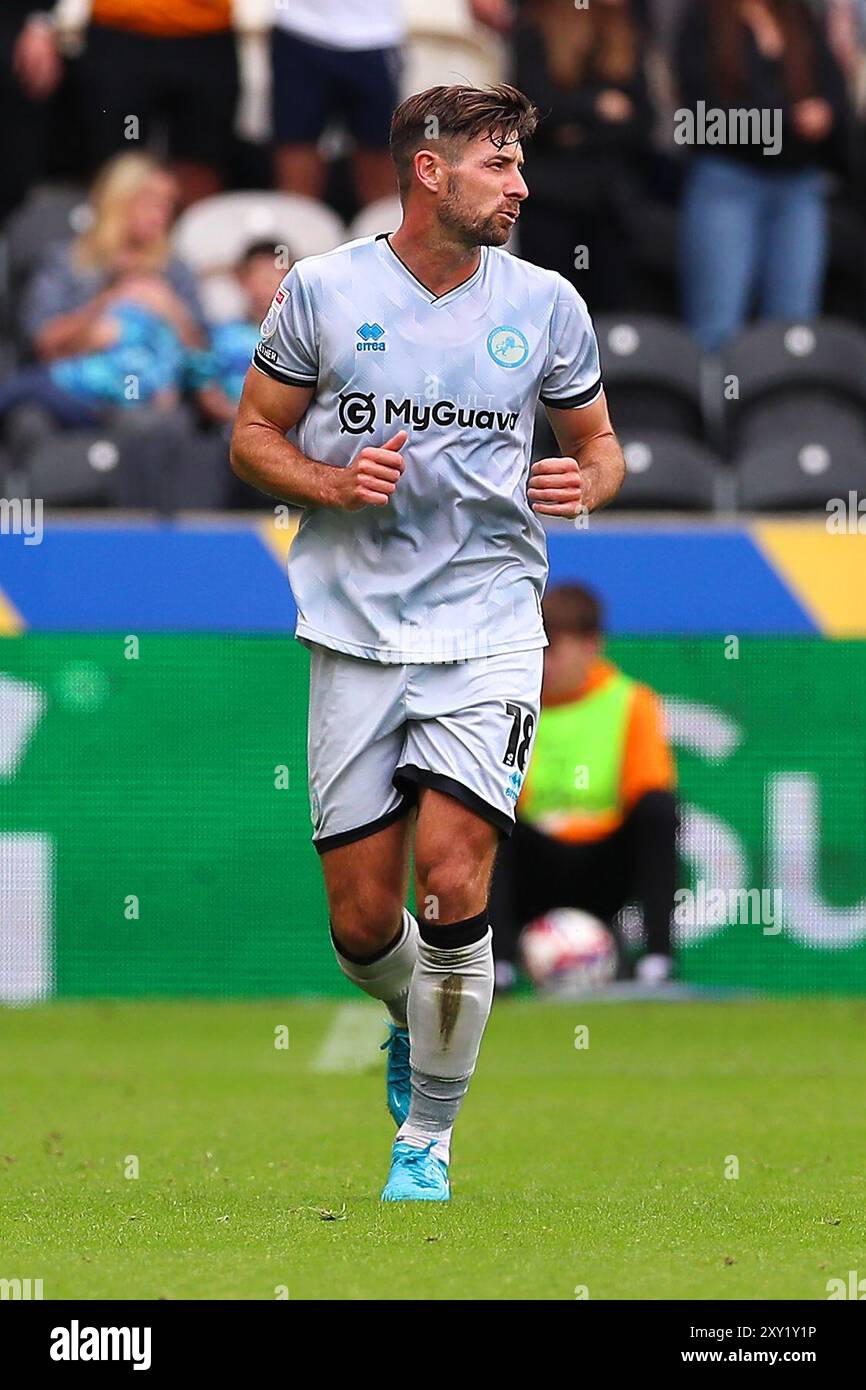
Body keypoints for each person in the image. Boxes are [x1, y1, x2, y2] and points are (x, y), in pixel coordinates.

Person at [230, 84, 626, 1202]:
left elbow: (600, 447)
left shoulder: (546, 303)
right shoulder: (321, 291)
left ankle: (427, 1145)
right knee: (362, 925)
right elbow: (252, 436)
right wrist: (325, 479)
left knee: (454, 880)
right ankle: (415, 1016)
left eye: (517, 164)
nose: (520, 184)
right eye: (498, 164)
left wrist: (580, 479)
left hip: (492, 622)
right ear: (428, 171)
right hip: (354, 631)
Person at [489, 583, 678, 990]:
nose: (543, 662)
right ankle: (498, 963)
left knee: (661, 811)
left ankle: (659, 959)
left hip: (605, 866)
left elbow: (649, 792)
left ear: (591, 645)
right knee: (489, 820)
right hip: (537, 862)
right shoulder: (513, 705)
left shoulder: (631, 701)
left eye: (552, 648)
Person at [676, 0, 849, 351]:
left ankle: (783, 405)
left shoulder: (800, 17)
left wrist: (826, 115)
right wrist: (789, 122)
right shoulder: (703, 20)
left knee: (795, 329)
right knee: (717, 324)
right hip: (727, 181)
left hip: (798, 187)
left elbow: (835, 93)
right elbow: (698, 120)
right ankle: (715, 403)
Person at [513, 0, 654, 311]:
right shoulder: (536, 29)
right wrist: (596, 106)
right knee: (549, 313)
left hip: (609, 207)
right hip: (552, 204)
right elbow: (535, 113)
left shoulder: (626, 32)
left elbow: (644, 123)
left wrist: (576, 134)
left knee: (609, 317)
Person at [20, 153, 205, 365]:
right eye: (149, 200)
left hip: (157, 387)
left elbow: (204, 354)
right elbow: (42, 341)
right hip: (79, 383)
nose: (160, 214)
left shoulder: (174, 269)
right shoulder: (66, 261)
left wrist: (169, 308)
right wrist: (109, 301)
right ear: (117, 201)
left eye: (167, 203)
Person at [271, 0, 404, 206]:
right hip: (298, 28)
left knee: (380, 182)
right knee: (295, 185)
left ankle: (377, 238)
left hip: (376, 34)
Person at [190, 242, 290, 427]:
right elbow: (206, 390)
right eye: (259, 274)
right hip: (228, 430)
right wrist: (244, 423)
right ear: (242, 280)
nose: (267, 283)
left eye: (275, 275)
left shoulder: (300, 339)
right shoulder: (221, 336)